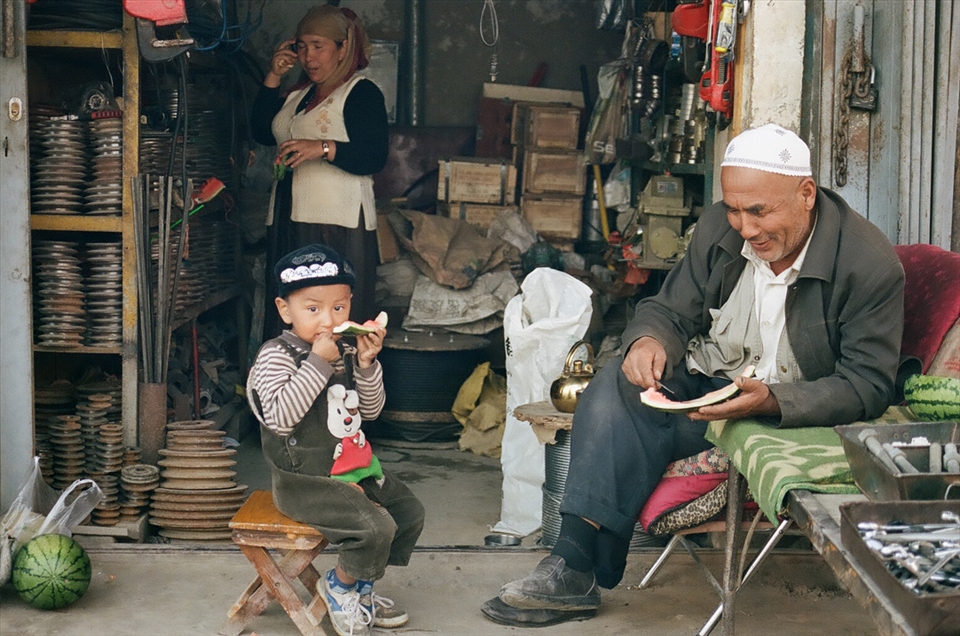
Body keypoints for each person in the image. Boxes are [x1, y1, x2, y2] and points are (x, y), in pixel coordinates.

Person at [481, 123, 906, 627]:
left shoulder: (869, 265)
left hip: (785, 411)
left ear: (806, 195)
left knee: (641, 418)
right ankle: (573, 562)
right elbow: (669, 309)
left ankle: (586, 561)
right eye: (734, 209)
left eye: (759, 212)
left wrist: (771, 400)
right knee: (618, 384)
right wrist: (648, 342)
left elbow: (868, 385)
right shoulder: (719, 230)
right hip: (710, 386)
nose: (744, 228)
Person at [247, 244, 424, 636]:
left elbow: (372, 411)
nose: (328, 320)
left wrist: (366, 364)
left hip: (352, 469)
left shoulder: (344, 350)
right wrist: (317, 362)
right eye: (313, 309)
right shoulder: (275, 356)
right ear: (284, 309)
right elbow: (280, 418)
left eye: (339, 308)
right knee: (374, 528)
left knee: (409, 512)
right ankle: (338, 585)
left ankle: (361, 588)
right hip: (304, 482)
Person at [250, 5, 388, 332]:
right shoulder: (300, 94)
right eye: (301, 46)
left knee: (333, 313)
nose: (308, 56)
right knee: (296, 311)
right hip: (289, 216)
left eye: (318, 46)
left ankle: (343, 382)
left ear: (343, 49)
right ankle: (294, 380)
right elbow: (260, 131)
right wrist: (274, 77)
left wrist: (322, 147)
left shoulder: (360, 93)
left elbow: (374, 156)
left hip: (336, 223)